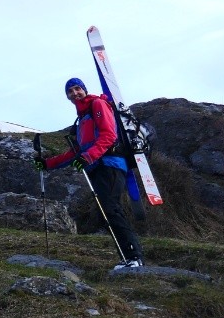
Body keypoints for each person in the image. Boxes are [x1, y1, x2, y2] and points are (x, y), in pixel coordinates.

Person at [35, 77, 144, 271]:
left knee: (111, 209)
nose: (74, 93)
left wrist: (88, 157)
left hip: (110, 164)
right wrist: (47, 164)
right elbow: (75, 152)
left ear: (84, 90)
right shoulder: (82, 118)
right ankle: (128, 258)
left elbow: (109, 136)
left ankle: (134, 257)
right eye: (70, 91)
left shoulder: (97, 104)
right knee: (107, 211)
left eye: (77, 88)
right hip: (97, 167)